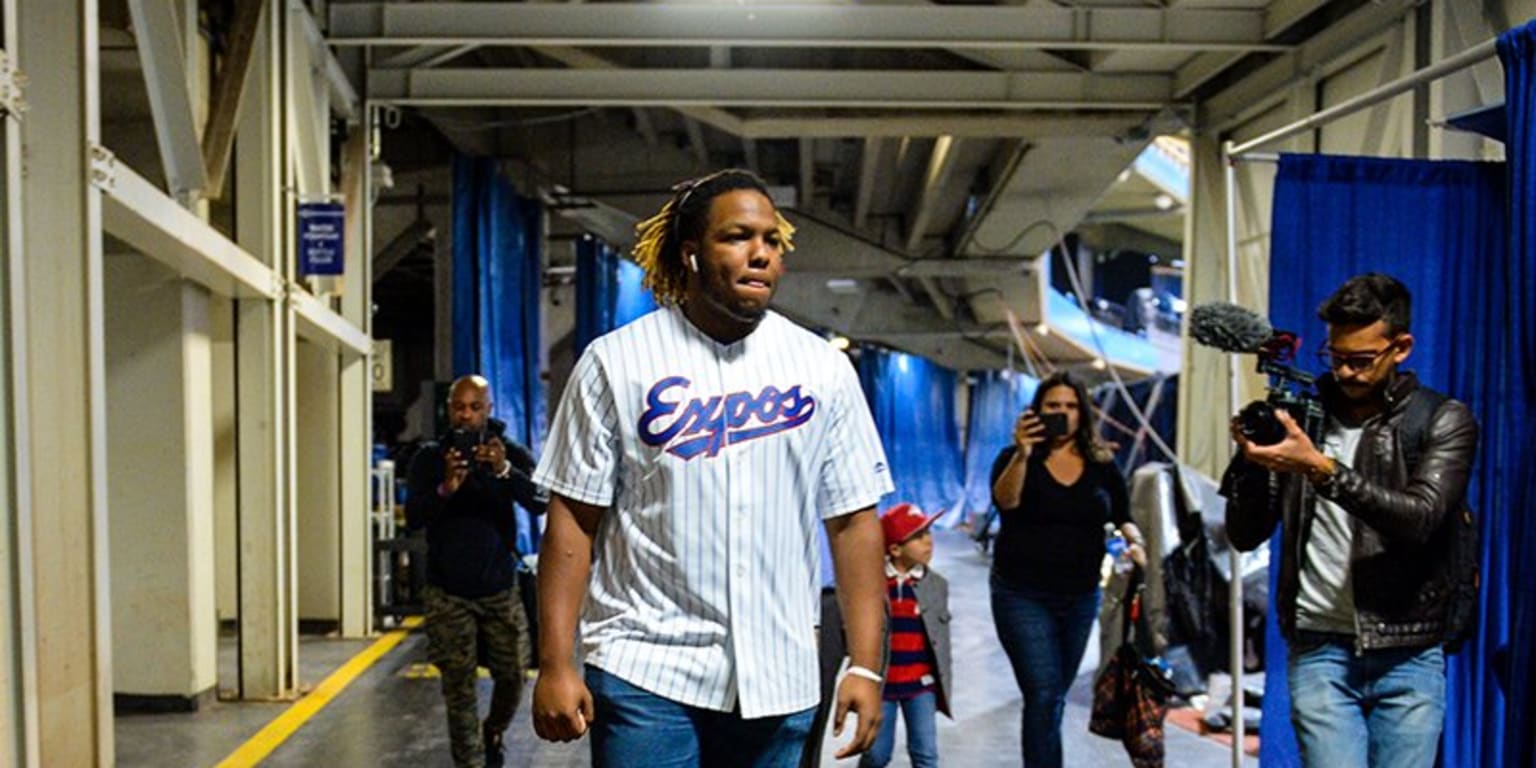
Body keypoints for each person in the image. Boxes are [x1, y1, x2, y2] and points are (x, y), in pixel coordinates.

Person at [529, 169, 893, 767]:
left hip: (780, 676)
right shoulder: (617, 363)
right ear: (691, 253)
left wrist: (864, 664)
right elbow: (574, 517)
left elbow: (854, 521)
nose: (761, 254)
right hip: (646, 669)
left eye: (772, 240)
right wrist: (556, 662)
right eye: (738, 237)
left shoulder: (820, 369)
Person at [1221, 273, 1478, 768]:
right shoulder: (1299, 415)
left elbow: (1420, 518)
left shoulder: (1443, 419)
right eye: (1335, 357)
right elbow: (1244, 532)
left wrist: (1321, 469)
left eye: (1361, 360)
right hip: (1319, 648)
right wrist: (1254, 462)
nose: (1345, 372)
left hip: (1409, 648)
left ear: (1400, 347)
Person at [989, 370, 1139, 768]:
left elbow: (1124, 514)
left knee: (1053, 696)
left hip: (1079, 596)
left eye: (1071, 406)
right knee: (1042, 694)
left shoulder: (1102, 463)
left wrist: (1136, 541)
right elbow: (1005, 503)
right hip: (1021, 593)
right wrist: (1022, 452)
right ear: (1036, 410)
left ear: (1083, 413)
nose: (1062, 413)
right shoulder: (1014, 458)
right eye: (1053, 405)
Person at [406, 375, 547, 768]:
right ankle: (470, 762)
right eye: (458, 407)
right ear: (449, 409)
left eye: (473, 407)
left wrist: (504, 471)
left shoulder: (509, 454)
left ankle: (494, 730)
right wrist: (445, 489)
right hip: (447, 593)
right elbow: (414, 518)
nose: (465, 415)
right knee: (459, 689)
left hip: (498, 589)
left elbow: (541, 501)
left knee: (513, 675)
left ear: (488, 410)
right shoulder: (430, 459)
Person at [860, 503, 952, 768]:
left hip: (921, 685)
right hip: (882, 686)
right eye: (918, 536)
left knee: (925, 754)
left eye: (929, 533)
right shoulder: (874, 584)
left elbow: (939, 639)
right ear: (895, 549)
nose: (928, 541)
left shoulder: (936, 585)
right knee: (876, 754)